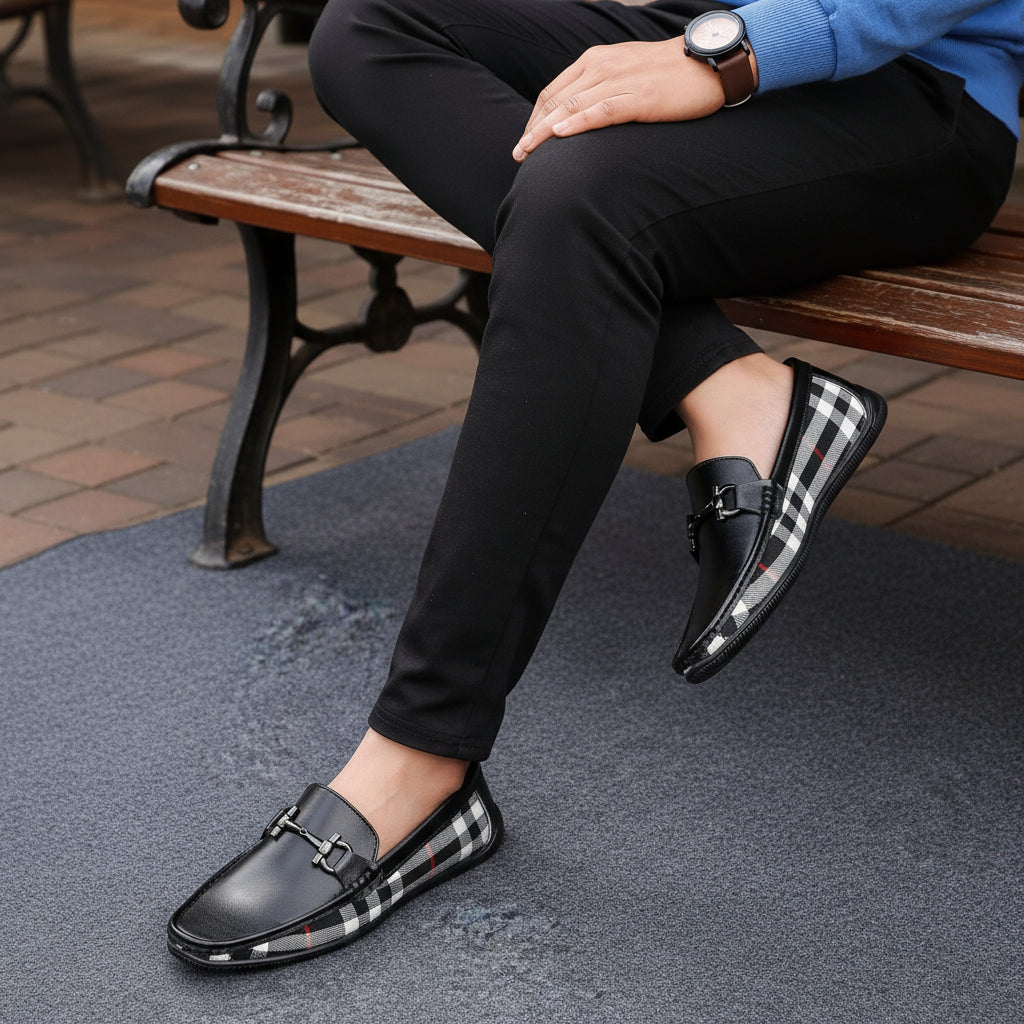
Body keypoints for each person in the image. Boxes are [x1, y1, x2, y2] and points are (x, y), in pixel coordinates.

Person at [165, 0, 1024, 968]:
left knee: (577, 193)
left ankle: (420, 757)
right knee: (367, 31)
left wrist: (733, 56)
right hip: (698, 28)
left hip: (910, 87)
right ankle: (723, 380)